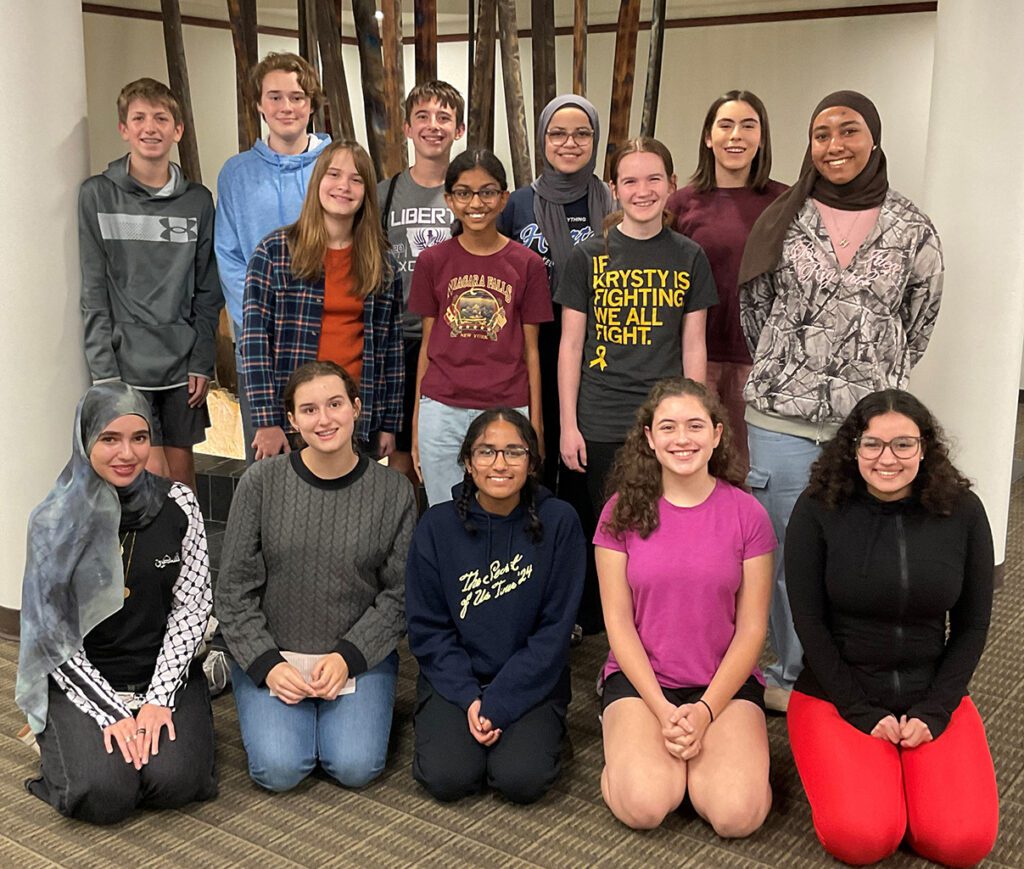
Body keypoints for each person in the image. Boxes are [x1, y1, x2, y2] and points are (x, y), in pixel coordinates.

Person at [737, 90, 944, 712]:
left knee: (854, 553)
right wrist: (794, 365)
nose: (835, 145)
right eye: (821, 134)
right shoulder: (784, 215)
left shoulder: (911, 226)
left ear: (873, 140)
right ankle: (790, 672)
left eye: (849, 131)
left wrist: (870, 374)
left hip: (868, 427)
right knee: (781, 554)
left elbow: (921, 316)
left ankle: (841, 670)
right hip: (780, 417)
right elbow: (756, 308)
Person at [785, 389, 997, 866]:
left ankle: (908, 788)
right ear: (853, 447)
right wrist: (858, 710)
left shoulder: (963, 512)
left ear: (924, 448)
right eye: (873, 444)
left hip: (931, 693)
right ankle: (884, 789)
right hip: (837, 692)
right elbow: (809, 622)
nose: (888, 458)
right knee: (863, 839)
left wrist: (937, 710)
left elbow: (973, 625)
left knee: (962, 844)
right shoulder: (817, 509)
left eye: (903, 444)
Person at [17, 382, 216, 824]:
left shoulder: (178, 503)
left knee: (176, 782)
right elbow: (54, 636)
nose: (127, 453)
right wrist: (109, 711)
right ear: (86, 439)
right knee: (104, 794)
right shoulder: (53, 522)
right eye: (110, 438)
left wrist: (158, 700)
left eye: (139, 438)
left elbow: (192, 609)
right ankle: (58, 735)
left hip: (158, 672)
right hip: (83, 678)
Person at [216, 361, 415, 792]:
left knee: (354, 766)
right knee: (280, 770)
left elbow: (399, 594)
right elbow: (233, 590)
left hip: (355, 657)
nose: (324, 419)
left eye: (335, 404)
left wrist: (349, 657)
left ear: (356, 408)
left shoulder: (393, 491)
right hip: (276, 653)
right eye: (309, 410)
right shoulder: (260, 484)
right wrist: (266, 664)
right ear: (291, 420)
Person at [595, 378, 774, 834]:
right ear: (650, 439)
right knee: (647, 806)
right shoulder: (620, 512)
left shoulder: (748, 514)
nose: (682, 439)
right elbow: (617, 623)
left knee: (737, 817)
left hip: (723, 686)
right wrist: (660, 709)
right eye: (668, 427)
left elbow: (753, 630)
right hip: (643, 685)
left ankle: (698, 764)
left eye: (695, 426)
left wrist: (705, 712)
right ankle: (640, 752)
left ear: (716, 435)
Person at [406, 408, 585, 803]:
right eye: (486, 452)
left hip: (532, 678)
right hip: (456, 679)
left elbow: (554, 632)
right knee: (447, 778)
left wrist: (500, 703)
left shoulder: (560, 522)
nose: (499, 464)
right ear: (468, 463)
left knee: (522, 780)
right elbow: (429, 630)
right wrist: (471, 698)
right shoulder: (436, 527)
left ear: (533, 462)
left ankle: (540, 732)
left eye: (514, 452)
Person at [557, 137, 718, 521]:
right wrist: (568, 426)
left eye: (654, 179)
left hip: (666, 423)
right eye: (629, 182)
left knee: (664, 529)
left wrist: (695, 422)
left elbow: (694, 346)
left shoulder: (690, 256)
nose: (642, 192)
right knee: (606, 531)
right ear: (613, 189)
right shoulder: (588, 256)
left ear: (671, 184)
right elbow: (571, 345)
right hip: (600, 420)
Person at [79, 78, 222, 489]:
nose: (150, 127)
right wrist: (104, 374)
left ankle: (189, 556)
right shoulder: (97, 195)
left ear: (177, 130)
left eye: (161, 118)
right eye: (139, 118)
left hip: (181, 367)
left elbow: (208, 291)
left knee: (181, 482)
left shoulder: (197, 201)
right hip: (125, 369)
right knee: (145, 476)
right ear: (123, 128)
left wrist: (201, 361)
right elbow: (93, 291)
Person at [241, 140, 404, 461]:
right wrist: (266, 420)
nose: (344, 186)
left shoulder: (383, 264)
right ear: (317, 182)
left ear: (367, 193)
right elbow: (255, 342)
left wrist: (388, 423)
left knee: (353, 509)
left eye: (356, 179)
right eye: (334, 175)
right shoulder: (274, 252)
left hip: (357, 417)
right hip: (293, 420)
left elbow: (391, 350)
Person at [408, 149, 552, 506]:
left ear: (504, 197)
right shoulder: (432, 261)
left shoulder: (528, 264)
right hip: (441, 409)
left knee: (503, 511)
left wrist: (536, 423)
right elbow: (428, 342)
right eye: (464, 192)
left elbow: (532, 350)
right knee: (445, 511)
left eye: (487, 192)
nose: (476, 202)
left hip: (506, 407)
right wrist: (416, 424)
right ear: (449, 200)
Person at [216, 52, 331, 463]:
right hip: (261, 347)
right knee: (267, 469)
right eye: (275, 97)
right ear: (259, 104)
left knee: (328, 465)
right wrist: (256, 328)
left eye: (297, 97)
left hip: (326, 343)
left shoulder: (333, 166)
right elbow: (229, 258)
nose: (287, 107)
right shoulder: (236, 173)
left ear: (312, 104)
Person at [666, 90, 787, 476]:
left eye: (748, 126)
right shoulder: (681, 204)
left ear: (762, 138)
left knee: (748, 472)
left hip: (759, 360)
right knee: (693, 466)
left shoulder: (783, 201)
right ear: (708, 136)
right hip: (693, 356)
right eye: (726, 125)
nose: (736, 135)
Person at [379, 80, 465, 492]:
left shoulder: (468, 196)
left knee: (446, 451)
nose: (434, 126)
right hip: (399, 339)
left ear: (459, 130)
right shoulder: (385, 194)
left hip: (453, 342)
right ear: (408, 128)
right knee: (400, 458)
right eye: (423, 117)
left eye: (444, 118)